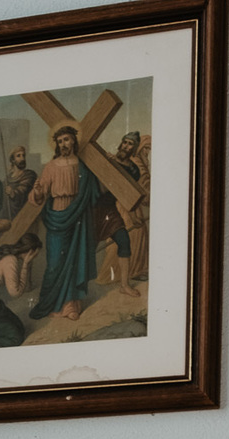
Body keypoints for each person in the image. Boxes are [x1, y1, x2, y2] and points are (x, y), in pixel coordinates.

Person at [28, 125, 103, 321]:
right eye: (60, 141)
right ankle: (52, 303)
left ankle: (71, 305)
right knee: (55, 263)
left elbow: (94, 190)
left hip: (78, 216)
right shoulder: (51, 167)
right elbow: (41, 193)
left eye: (67, 140)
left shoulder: (82, 166)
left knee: (74, 260)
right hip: (57, 218)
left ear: (74, 141)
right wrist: (36, 191)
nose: (63, 144)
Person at [93, 130, 147, 296]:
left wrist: (114, 167)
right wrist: (108, 164)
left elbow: (126, 191)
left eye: (130, 144)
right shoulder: (106, 159)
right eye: (125, 142)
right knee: (87, 246)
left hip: (110, 209)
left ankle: (124, 285)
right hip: (94, 209)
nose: (126, 146)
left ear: (134, 148)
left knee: (123, 241)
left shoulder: (134, 170)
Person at [5, 143, 37, 216]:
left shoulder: (30, 175)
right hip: (11, 215)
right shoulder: (7, 179)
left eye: (23, 155)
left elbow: (23, 190)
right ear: (13, 160)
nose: (22, 158)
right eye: (18, 156)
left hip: (25, 214)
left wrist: (13, 193)